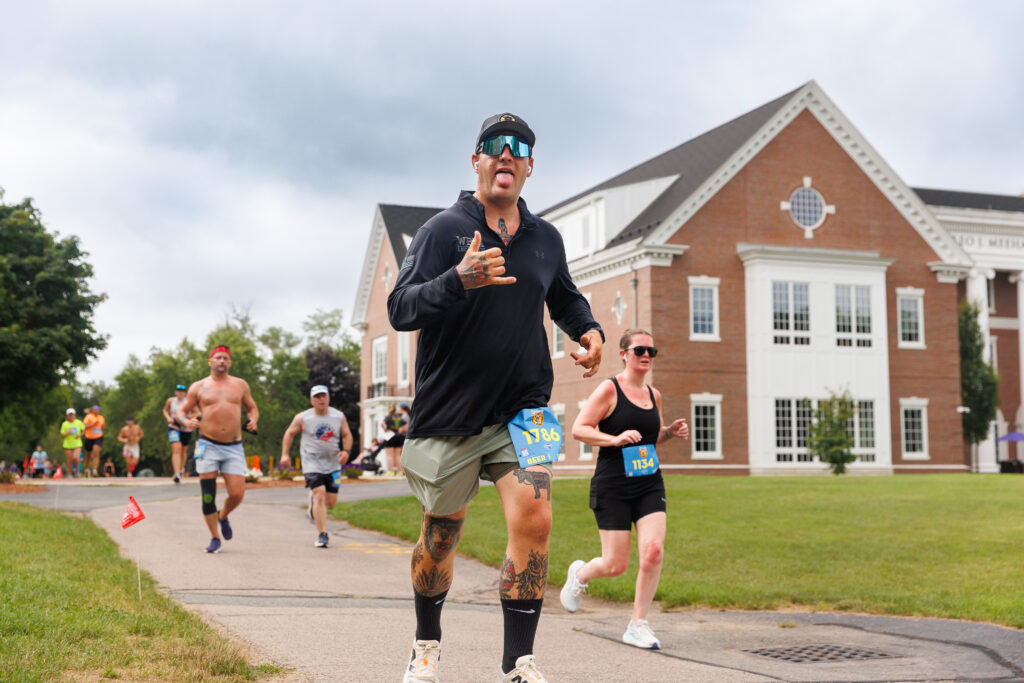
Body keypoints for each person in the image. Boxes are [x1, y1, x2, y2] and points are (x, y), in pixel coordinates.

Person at [387, 112, 604, 683]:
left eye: (518, 147)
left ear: (530, 166)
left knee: (535, 517)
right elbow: (400, 308)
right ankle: (426, 643)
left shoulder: (545, 239)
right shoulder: (441, 231)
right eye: (493, 145)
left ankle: (517, 663)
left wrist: (589, 330)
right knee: (440, 536)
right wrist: (458, 279)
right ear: (476, 160)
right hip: (451, 412)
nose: (505, 153)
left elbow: (565, 297)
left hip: (524, 408)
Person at [561, 329, 689, 650]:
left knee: (653, 551)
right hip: (613, 484)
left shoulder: (654, 395)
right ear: (623, 354)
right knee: (615, 565)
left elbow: (650, 436)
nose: (646, 355)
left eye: (651, 351)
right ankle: (581, 575)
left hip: (648, 482)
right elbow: (579, 429)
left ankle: (637, 624)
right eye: (639, 350)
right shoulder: (609, 389)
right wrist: (614, 439)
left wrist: (669, 432)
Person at [175, 345, 259, 554]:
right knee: (207, 496)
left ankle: (223, 516)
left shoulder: (240, 385)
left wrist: (253, 420)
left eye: (225, 358)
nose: (222, 361)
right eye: (218, 358)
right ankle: (214, 537)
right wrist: (186, 422)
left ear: (230, 363)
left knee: (237, 494)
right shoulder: (199, 386)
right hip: (208, 444)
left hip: (233, 446)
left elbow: (252, 407)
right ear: (210, 361)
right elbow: (181, 412)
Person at [279, 385, 353, 548]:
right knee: (319, 493)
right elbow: (289, 433)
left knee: (331, 502)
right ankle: (322, 534)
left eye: (323, 396)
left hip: (334, 464)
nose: (321, 399)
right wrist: (285, 454)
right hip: (311, 462)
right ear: (312, 400)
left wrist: (346, 451)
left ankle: (313, 505)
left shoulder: (338, 416)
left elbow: (347, 434)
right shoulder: (303, 418)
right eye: (317, 397)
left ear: (328, 398)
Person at [164, 383, 197, 483]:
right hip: (174, 426)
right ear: (175, 392)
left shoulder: (188, 402)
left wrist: (189, 418)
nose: (180, 393)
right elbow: (165, 410)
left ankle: (181, 468)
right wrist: (168, 418)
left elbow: (196, 412)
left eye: (182, 392)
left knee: (183, 450)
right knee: (176, 449)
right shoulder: (171, 401)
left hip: (186, 427)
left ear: (185, 393)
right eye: (178, 391)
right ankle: (177, 473)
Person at [380, 404, 407, 476]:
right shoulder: (399, 417)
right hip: (399, 436)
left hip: (390, 437)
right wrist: (402, 429)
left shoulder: (388, 417)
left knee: (390, 455)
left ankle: (391, 471)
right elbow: (407, 424)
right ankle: (400, 471)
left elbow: (382, 423)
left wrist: (385, 429)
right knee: (398, 455)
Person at [60, 408, 85, 478]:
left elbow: (83, 431)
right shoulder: (64, 424)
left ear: (75, 415)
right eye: (69, 415)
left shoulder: (78, 422)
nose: (71, 416)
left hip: (77, 443)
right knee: (70, 460)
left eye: (72, 414)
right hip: (67, 444)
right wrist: (68, 432)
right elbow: (62, 435)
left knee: (76, 458)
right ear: (67, 416)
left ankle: (77, 470)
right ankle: (70, 472)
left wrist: (80, 435)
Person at [82, 404, 105, 478]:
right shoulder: (89, 417)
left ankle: (95, 470)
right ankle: (87, 469)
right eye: (95, 409)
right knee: (88, 454)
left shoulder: (101, 417)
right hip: (89, 437)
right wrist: (93, 424)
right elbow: (84, 426)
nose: (96, 410)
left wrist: (102, 427)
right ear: (92, 410)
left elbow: (102, 427)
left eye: (98, 409)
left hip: (98, 437)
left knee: (96, 453)